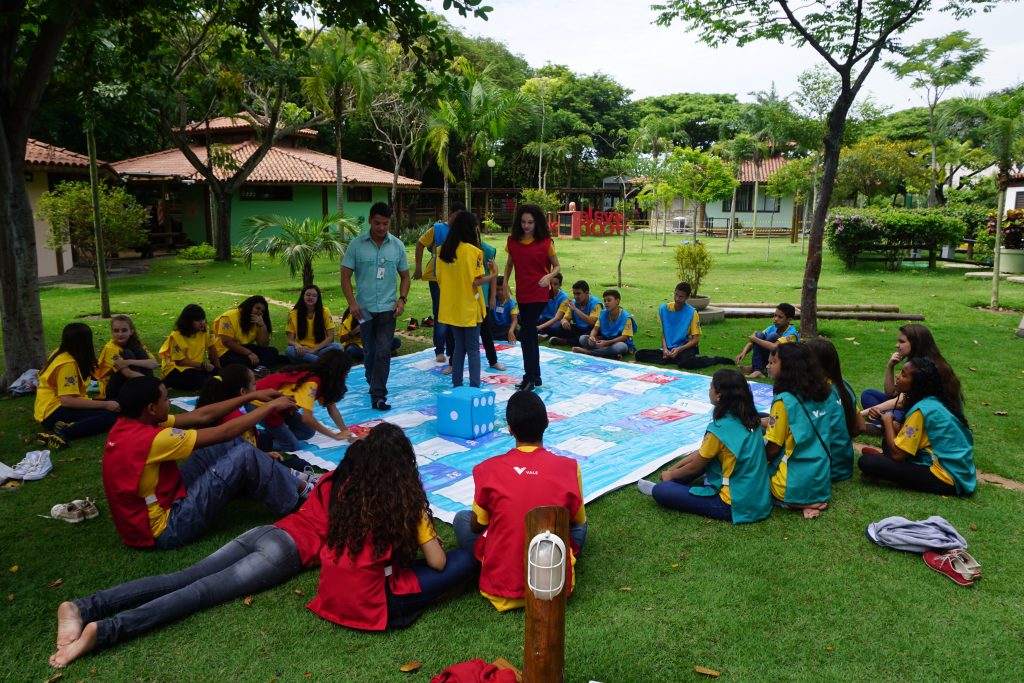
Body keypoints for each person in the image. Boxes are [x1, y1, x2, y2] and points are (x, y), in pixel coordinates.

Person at [48, 423, 475, 669]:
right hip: (284, 550)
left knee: (185, 577)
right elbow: (423, 556)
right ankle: (104, 631)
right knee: (197, 593)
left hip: (268, 532)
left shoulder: (336, 481)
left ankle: (86, 605)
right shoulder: (391, 503)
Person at [101, 376, 309, 550]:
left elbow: (201, 415)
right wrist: (271, 406)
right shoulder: (154, 439)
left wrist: (252, 396)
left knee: (224, 447)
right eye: (166, 399)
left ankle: (291, 478)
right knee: (243, 453)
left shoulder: (127, 424)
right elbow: (225, 431)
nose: (170, 403)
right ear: (151, 409)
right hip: (168, 529)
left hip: (153, 513)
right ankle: (302, 499)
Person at [454, 391, 587, 612]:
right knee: (582, 524)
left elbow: (478, 525)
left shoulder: (488, 469)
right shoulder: (570, 467)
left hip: (499, 587)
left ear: (510, 429)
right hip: (554, 585)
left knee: (462, 519)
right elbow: (575, 521)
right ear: (546, 424)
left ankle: (498, 559)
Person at [636, 369, 771, 524]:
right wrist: (673, 470)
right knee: (699, 464)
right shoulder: (752, 419)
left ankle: (665, 487)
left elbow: (695, 467)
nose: (709, 391)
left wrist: (671, 475)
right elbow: (702, 454)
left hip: (732, 504)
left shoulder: (719, 429)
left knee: (662, 491)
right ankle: (676, 480)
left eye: (710, 387)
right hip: (759, 500)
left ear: (719, 395)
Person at [858, 357, 975, 496]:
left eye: (903, 375)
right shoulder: (934, 401)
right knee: (887, 442)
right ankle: (884, 464)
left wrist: (888, 420)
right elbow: (911, 434)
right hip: (961, 472)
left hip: (947, 478)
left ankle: (887, 472)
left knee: (867, 462)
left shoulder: (920, 411)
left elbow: (898, 455)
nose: (897, 376)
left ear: (916, 384)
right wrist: (886, 421)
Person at [341, 202, 411, 410]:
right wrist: (352, 303)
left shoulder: (397, 245)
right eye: (377, 223)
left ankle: (379, 395)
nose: (381, 227)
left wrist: (402, 299)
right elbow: (345, 277)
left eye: (385, 224)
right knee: (369, 350)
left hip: (389, 309)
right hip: (363, 309)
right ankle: (372, 380)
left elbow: (406, 276)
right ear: (370, 220)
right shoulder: (356, 245)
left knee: (383, 351)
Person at [763, 343, 833, 519]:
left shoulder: (783, 401)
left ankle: (795, 502)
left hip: (789, 484)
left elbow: (772, 448)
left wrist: (754, 463)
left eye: (775, 361)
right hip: (820, 480)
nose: (769, 365)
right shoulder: (821, 393)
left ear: (788, 367)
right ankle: (805, 501)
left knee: (747, 475)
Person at [860, 324, 963, 431]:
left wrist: (861, 413)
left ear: (915, 343)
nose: (897, 345)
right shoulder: (915, 361)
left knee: (896, 415)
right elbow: (891, 393)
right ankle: (887, 424)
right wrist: (890, 366)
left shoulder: (926, 367)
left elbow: (900, 402)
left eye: (902, 342)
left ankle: (887, 425)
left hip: (930, 414)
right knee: (868, 394)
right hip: (914, 406)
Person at [502, 204, 561, 391]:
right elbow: (510, 264)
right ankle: (536, 375)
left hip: (539, 292)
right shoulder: (512, 241)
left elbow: (557, 267)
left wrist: (549, 277)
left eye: (530, 222)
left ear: (537, 223)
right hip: (523, 293)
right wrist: (504, 283)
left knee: (526, 334)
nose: (526, 225)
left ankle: (529, 378)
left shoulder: (546, 243)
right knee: (530, 335)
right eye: (523, 222)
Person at [35, 323, 120, 451]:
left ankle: (67, 425)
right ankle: (61, 433)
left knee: (113, 405)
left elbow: (85, 383)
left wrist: (102, 400)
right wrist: (105, 405)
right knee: (109, 416)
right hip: (54, 410)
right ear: (85, 342)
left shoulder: (61, 352)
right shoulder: (67, 364)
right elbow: (67, 401)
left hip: (53, 406)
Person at [255, 350, 355, 451]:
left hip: (282, 406)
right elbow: (307, 418)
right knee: (291, 445)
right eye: (346, 372)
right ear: (337, 372)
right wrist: (335, 436)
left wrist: (348, 436)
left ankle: (270, 434)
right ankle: (255, 442)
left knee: (307, 431)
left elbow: (332, 409)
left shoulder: (324, 380)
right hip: (261, 404)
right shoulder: (312, 383)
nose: (346, 376)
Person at [436, 211, 490, 388]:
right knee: (473, 349)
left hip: (452, 308)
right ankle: (474, 386)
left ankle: (457, 385)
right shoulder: (474, 252)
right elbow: (476, 281)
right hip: (470, 308)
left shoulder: (442, 252)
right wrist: (494, 274)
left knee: (459, 347)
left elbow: (439, 279)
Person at [413, 201, 465, 363]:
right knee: (441, 313)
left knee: (453, 314)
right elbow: (420, 245)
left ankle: (451, 349)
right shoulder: (437, 229)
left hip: (454, 280)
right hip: (436, 278)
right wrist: (418, 268)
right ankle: (439, 350)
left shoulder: (461, 232)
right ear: (451, 213)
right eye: (457, 216)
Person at [806, 338, 864, 481]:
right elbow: (861, 427)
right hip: (843, 466)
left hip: (824, 469)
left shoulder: (815, 391)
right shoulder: (844, 386)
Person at [95, 315, 158, 401]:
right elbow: (127, 373)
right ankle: (147, 392)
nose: (120, 334)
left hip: (132, 381)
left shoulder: (136, 344)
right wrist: (152, 385)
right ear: (112, 333)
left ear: (131, 331)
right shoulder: (110, 348)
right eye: (116, 331)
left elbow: (153, 363)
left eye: (124, 330)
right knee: (127, 353)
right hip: (113, 388)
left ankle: (145, 393)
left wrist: (129, 362)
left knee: (139, 352)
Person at [159, 304, 221, 391]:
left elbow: (212, 347)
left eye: (203, 319)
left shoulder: (204, 330)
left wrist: (217, 368)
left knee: (218, 376)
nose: (202, 322)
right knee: (203, 382)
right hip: (175, 368)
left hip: (195, 367)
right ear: (188, 321)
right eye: (197, 320)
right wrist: (203, 365)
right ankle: (168, 382)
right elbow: (179, 362)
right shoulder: (177, 336)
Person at [213, 295, 282, 370]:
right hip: (224, 351)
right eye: (257, 308)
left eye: (262, 311)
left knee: (272, 351)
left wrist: (263, 326)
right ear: (249, 306)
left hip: (244, 347)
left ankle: (260, 369)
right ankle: (262, 365)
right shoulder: (229, 316)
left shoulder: (257, 320)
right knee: (243, 362)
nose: (259, 312)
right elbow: (227, 342)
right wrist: (249, 353)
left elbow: (263, 345)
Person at [735, 303, 799, 378]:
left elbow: (774, 347)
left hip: (785, 363)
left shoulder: (792, 334)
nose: (775, 319)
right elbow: (754, 341)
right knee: (759, 335)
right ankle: (758, 369)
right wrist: (743, 352)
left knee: (772, 336)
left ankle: (757, 368)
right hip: (772, 359)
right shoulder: (772, 328)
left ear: (789, 319)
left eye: (780, 317)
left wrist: (755, 339)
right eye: (775, 315)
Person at [284, 285, 343, 363]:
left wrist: (313, 350)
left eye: (314, 296)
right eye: (308, 295)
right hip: (303, 349)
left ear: (318, 298)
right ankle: (320, 362)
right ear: (303, 296)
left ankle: (311, 361)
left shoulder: (325, 311)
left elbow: (330, 338)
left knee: (338, 347)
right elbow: (290, 340)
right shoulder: (293, 314)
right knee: (289, 350)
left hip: (320, 348)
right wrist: (297, 346)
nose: (310, 297)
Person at [477, 223, 507, 371]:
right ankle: (453, 362)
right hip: (465, 298)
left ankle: (493, 360)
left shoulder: (487, 250)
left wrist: (492, 296)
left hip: (482, 297)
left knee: (485, 330)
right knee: (458, 333)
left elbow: (492, 273)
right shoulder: (459, 249)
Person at [573, 289, 636, 359]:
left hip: (618, 342)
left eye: (609, 300)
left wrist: (608, 342)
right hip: (605, 341)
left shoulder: (626, 317)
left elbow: (625, 337)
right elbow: (595, 329)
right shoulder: (603, 313)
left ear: (617, 301)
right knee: (583, 338)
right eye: (605, 301)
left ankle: (588, 352)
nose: (606, 303)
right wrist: (592, 337)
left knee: (621, 347)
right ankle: (610, 354)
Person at [548, 279, 601, 347]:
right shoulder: (574, 302)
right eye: (574, 293)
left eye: (578, 294)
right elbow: (565, 318)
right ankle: (572, 340)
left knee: (585, 338)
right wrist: (564, 322)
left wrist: (575, 309)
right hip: (578, 329)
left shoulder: (595, 303)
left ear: (587, 293)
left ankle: (565, 341)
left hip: (591, 329)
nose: (575, 296)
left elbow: (592, 322)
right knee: (558, 327)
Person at [336, 307, 401, 362]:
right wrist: (354, 332)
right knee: (351, 350)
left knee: (397, 341)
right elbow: (342, 339)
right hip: (357, 345)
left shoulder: (374, 312)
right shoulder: (350, 316)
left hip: (372, 343)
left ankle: (372, 353)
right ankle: (379, 353)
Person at [489, 276, 519, 344]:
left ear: (507, 289)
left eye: (502, 289)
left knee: (518, 333)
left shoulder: (511, 303)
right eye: (497, 289)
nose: (500, 292)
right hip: (495, 328)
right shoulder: (492, 300)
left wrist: (511, 331)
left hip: (506, 328)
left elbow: (514, 320)